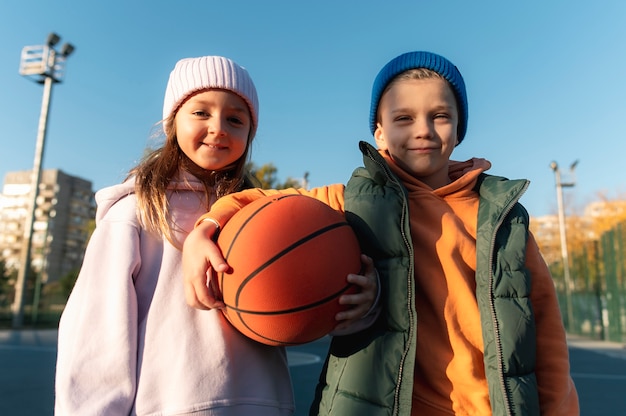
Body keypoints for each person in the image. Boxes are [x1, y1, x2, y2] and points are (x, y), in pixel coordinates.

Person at [182, 51, 580, 415]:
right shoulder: (357, 200)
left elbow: (543, 327)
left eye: (440, 116)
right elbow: (260, 200)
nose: (422, 130)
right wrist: (207, 229)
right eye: (403, 118)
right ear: (380, 134)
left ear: (459, 130)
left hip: (496, 405)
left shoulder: (502, 215)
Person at [54, 55, 376, 416]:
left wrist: (359, 305)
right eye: (201, 112)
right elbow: (97, 338)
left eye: (235, 119)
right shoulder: (135, 213)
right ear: (172, 122)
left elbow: (304, 306)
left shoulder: (265, 215)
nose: (219, 126)